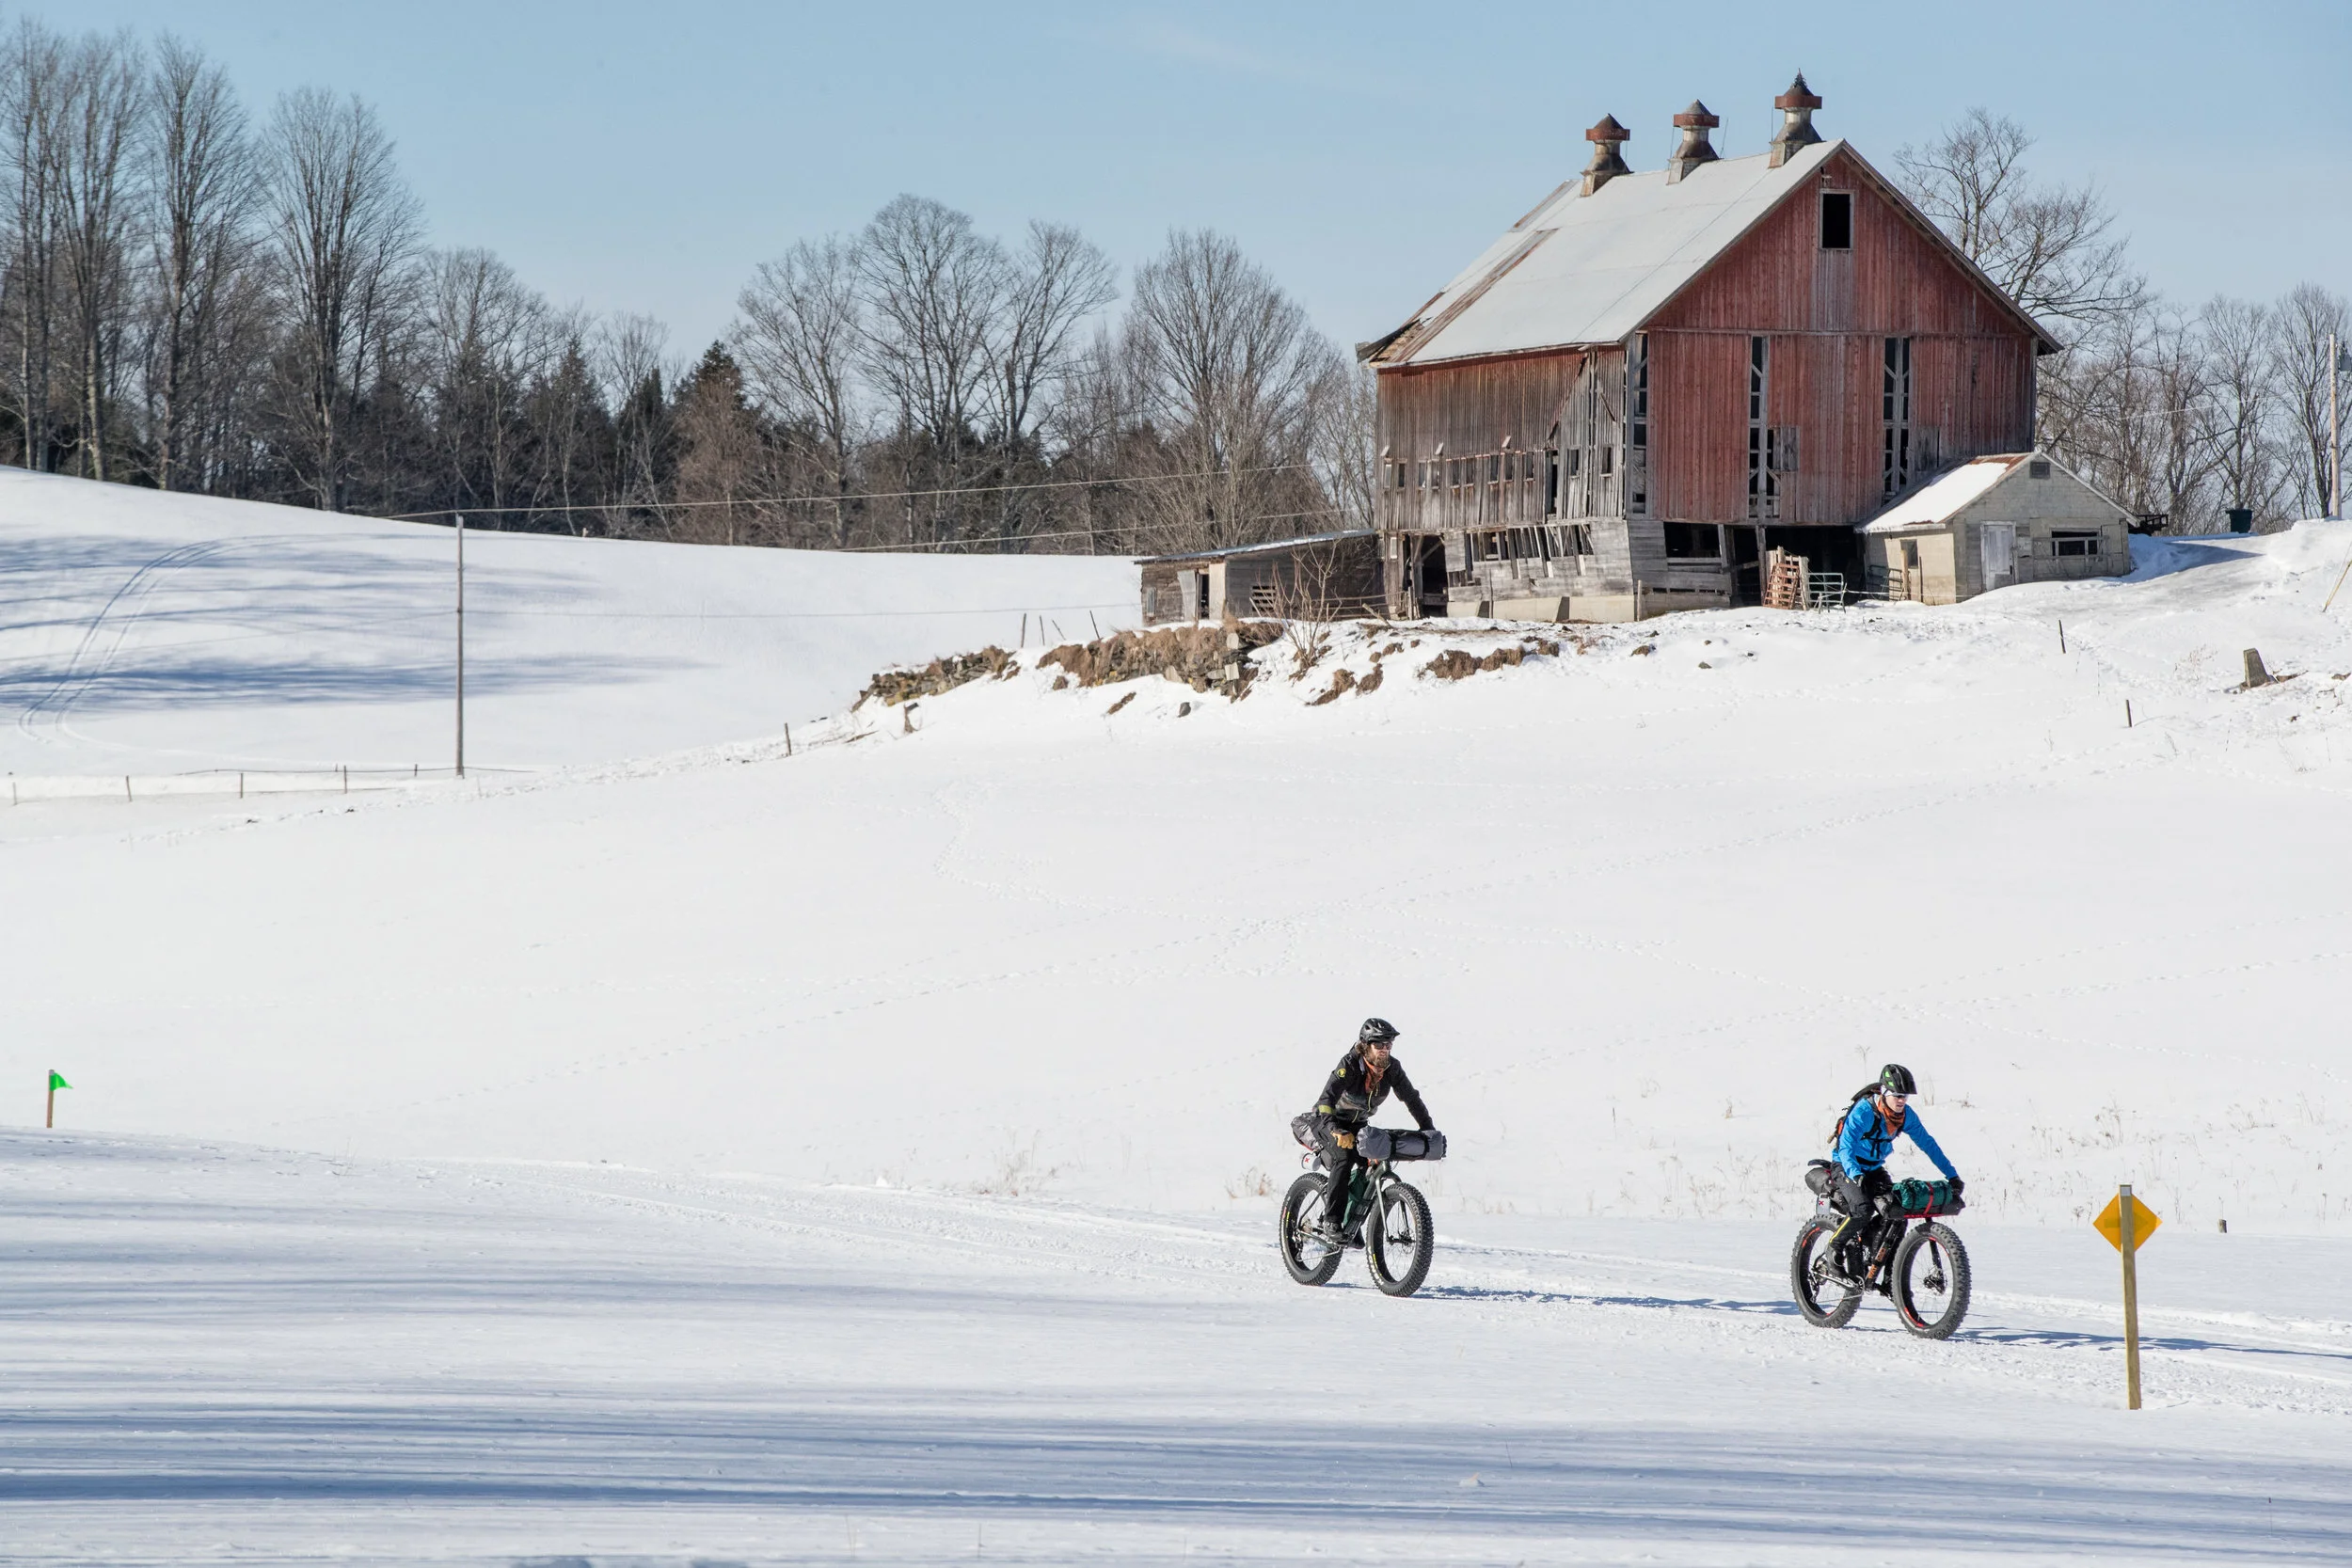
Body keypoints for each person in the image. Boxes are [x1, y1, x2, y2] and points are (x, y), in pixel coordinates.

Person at [1829, 1063, 1963, 1282]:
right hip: (1845, 1166)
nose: (1902, 1101)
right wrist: (1855, 1174)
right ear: (1884, 1092)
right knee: (1862, 1208)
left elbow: (1927, 1144)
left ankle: (1890, 1280)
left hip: (1873, 1168)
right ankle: (1835, 1246)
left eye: (1905, 1097)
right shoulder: (1864, 1112)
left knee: (1898, 1213)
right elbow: (1845, 1147)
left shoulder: (1906, 1116)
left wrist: (1952, 1175)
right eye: (1897, 1095)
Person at [1311, 1018, 1434, 1243]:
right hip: (1327, 1122)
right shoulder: (1349, 1064)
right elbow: (1325, 1101)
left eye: (1388, 1045)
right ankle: (1332, 1221)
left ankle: (1351, 1220)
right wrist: (1335, 1129)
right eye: (1379, 1045)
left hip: (1357, 1126)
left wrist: (1428, 1129)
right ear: (1365, 1045)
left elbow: (1411, 1098)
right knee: (1344, 1159)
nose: (1384, 1050)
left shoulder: (1391, 1068)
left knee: (1372, 1162)